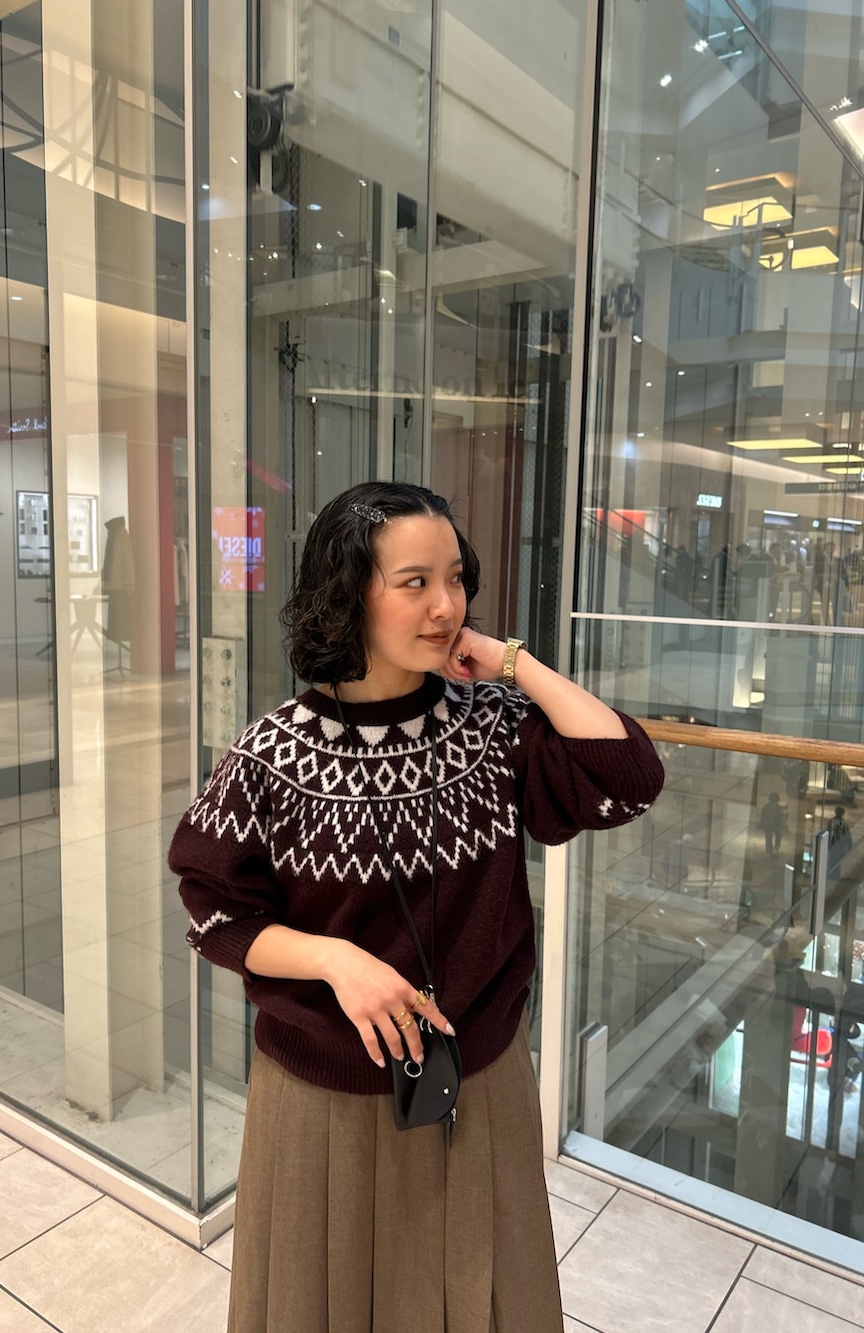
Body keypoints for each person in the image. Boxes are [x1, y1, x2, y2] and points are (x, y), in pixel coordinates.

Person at [168, 481, 665, 1332]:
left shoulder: (494, 725)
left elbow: (630, 779)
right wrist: (335, 960)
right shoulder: (271, 753)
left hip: (481, 1084)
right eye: (415, 582)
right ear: (349, 593)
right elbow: (215, 912)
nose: (446, 605)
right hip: (323, 1101)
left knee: (489, 1299)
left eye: (456, 577)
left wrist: (512, 663)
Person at [758, 791, 786, 855]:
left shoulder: (766, 806)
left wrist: (764, 822)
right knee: (777, 837)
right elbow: (781, 817)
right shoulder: (779, 807)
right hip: (776, 825)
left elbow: (762, 815)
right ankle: (775, 849)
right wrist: (781, 825)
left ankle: (769, 851)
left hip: (768, 825)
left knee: (768, 838)